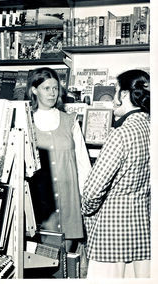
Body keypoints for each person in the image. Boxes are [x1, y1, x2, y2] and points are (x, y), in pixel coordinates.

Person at [81, 69, 150, 278]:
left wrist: (87, 209)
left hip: (110, 235)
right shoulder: (149, 126)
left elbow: (91, 192)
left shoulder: (121, 133)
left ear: (126, 95)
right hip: (143, 231)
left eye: (116, 90)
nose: (114, 97)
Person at [25, 67, 91, 252]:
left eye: (55, 88)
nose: (52, 93)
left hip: (69, 198)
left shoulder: (70, 121)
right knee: (40, 259)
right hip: (40, 202)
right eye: (47, 88)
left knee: (66, 259)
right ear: (34, 90)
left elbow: (83, 163)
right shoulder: (25, 120)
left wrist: (85, 197)